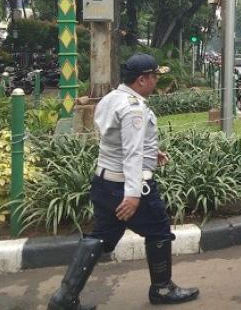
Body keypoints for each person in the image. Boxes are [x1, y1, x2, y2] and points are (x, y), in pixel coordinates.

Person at [47, 53, 199, 310]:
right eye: (154, 77)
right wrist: (133, 194)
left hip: (104, 182)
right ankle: (162, 289)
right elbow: (131, 153)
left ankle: (64, 298)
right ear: (141, 79)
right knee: (159, 230)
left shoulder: (112, 98)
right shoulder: (133, 108)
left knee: (102, 236)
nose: (156, 82)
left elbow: (114, 140)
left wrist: (153, 153)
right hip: (128, 185)